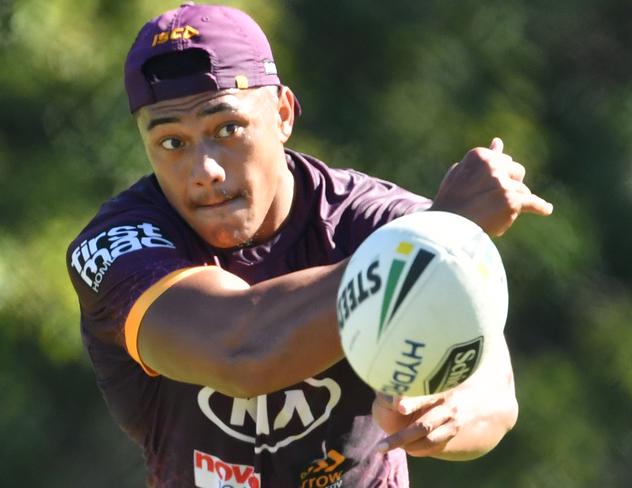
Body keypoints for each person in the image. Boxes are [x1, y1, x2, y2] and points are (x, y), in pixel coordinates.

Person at [67, 3, 553, 487]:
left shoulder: (376, 220)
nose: (205, 171)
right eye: (172, 143)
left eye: (227, 129)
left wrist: (450, 411)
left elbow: (493, 394)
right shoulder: (118, 246)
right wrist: (435, 239)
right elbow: (240, 349)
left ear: (282, 114)